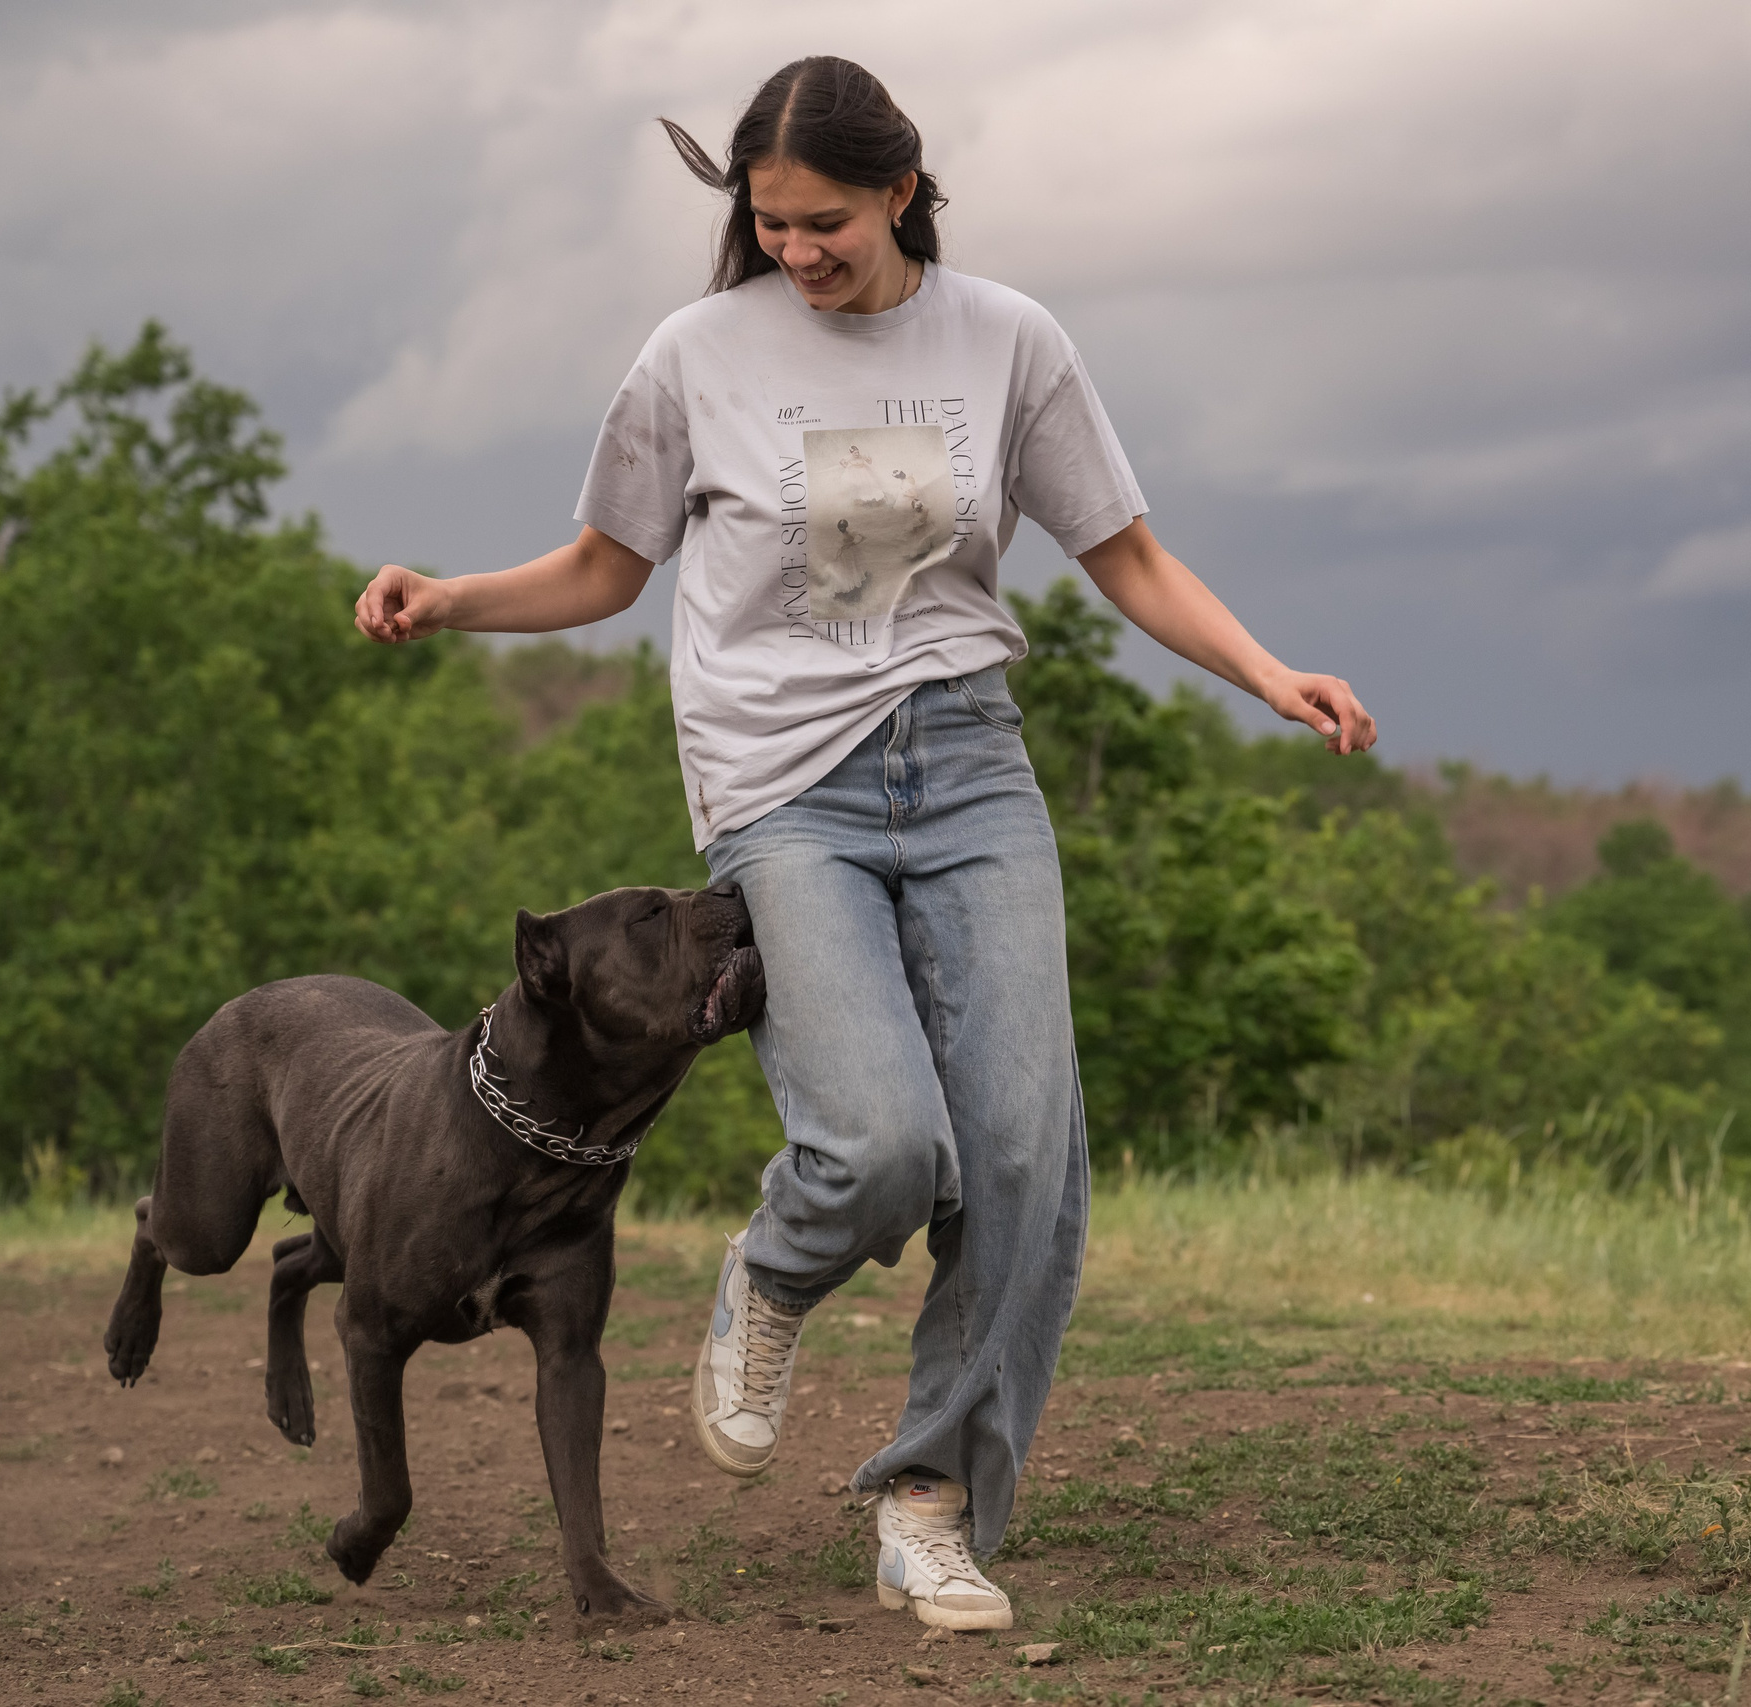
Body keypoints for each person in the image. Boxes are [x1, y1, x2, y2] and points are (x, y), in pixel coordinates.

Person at [353, 55, 1376, 1631]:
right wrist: (453, 596)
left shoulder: (1007, 340)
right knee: (886, 1142)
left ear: (902, 190)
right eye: (768, 224)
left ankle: (929, 1501)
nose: (796, 252)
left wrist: (1270, 671)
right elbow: (602, 566)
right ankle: (771, 1275)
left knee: (1025, 1153)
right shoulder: (698, 354)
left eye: (823, 221)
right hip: (785, 785)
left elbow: (1130, 553)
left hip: (967, 765)